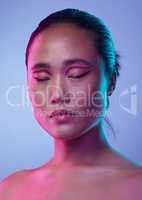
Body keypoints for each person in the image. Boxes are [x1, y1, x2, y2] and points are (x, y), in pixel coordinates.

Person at [0, 8, 142, 200]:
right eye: (42, 78)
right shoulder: (10, 190)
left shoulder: (136, 188)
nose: (57, 94)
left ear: (111, 81)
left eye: (76, 74)